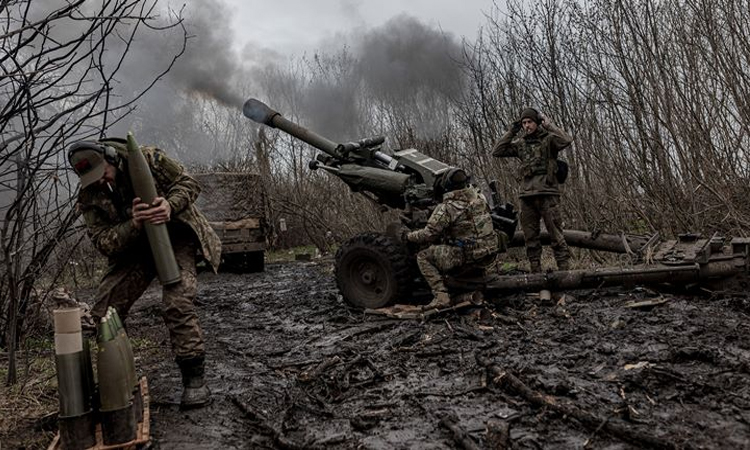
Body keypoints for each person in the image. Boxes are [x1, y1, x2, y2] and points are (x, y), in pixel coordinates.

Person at [68, 137, 221, 408]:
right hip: (134, 247)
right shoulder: (90, 195)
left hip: (174, 238)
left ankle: (194, 380)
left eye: (102, 173)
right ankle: (118, 383)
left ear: (111, 157)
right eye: (93, 179)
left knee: (177, 302)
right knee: (104, 311)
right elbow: (104, 241)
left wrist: (169, 205)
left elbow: (190, 184)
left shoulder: (149, 159)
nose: (102, 182)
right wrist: (134, 223)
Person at [492, 108, 573, 272]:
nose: (527, 126)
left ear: (537, 123)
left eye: (530, 122)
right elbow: (497, 151)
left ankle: (564, 271)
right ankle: (536, 271)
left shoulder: (550, 140)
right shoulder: (520, 144)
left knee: (556, 235)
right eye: (524, 123)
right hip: (527, 195)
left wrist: (549, 125)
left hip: (548, 193)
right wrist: (512, 131)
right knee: (530, 237)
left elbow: (566, 140)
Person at [405, 168, 498, 309]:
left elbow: (428, 234)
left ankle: (441, 296)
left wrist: (408, 236)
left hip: (468, 257)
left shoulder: (448, 208)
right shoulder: (480, 198)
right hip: (489, 254)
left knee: (423, 256)